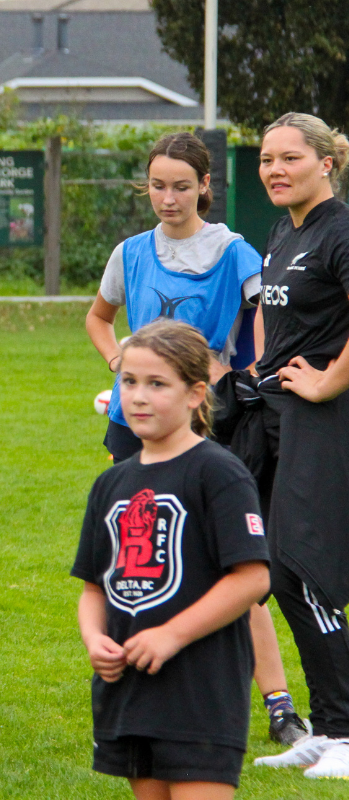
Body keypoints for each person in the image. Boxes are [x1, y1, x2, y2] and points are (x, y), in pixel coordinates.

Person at [84, 131, 306, 747]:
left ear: (205, 187)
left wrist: (243, 371)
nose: (168, 197)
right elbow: (98, 318)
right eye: (157, 185)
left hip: (212, 426)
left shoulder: (233, 251)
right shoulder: (129, 252)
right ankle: (139, 683)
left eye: (181, 186)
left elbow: (267, 317)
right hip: (135, 430)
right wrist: (119, 364)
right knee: (137, 562)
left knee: (233, 561)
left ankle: (280, 705)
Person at [74, 319, 271, 800]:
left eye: (157, 384)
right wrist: (94, 638)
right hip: (130, 691)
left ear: (194, 394)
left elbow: (251, 578)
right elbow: (93, 588)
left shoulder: (218, 473)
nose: (138, 397)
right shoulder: (111, 484)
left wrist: (171, 635)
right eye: (129, 382)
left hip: (200, 691)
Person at [244, 112, 349, 779]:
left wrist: (327, 383)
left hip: (326, 418)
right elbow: (267, 311)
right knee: (278, 570)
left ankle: (347, 734)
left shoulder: (340, 231)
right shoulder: (286, 229)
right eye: (265, 160)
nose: (274, 170)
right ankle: (328, 728)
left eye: (288, 158)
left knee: (308, 568)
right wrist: (262, 370)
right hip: (279, 414)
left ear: (326, 164)